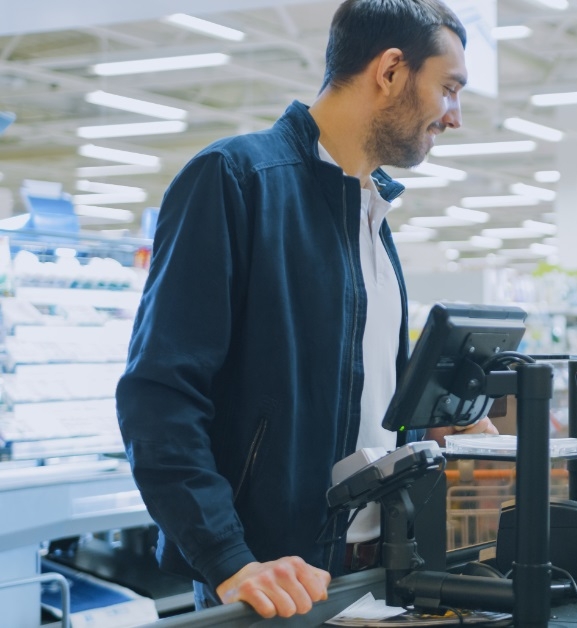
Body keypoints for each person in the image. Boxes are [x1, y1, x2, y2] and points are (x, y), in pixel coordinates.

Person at [115, 0, 493, 619]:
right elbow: (158, 396)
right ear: (391, 70)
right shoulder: (236, 180)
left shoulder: (372, 215)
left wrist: (430, 431)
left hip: (376, 565)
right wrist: (229, 561)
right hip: (273, 579)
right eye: (448, 89)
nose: (453, 117)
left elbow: (351, 403)